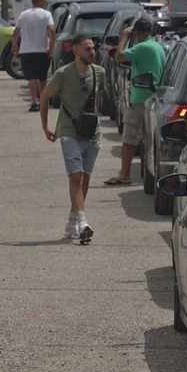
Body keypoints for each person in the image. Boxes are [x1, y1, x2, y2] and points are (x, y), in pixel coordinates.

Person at [41, 34, 105, 244]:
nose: (92, 52)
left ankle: (72, 222)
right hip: (68, 132)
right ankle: (83, 222)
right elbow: (45, 97)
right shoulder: (63, 74)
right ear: (75, 51)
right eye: (87, 48)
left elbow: (99, 101)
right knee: (75, 177)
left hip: (91, 133)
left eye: (93, 48)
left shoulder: (99, 73)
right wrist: (46, 126)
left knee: (85, 179)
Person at [106, 17, 165, 187]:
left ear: (137, 33)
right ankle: (127, 173)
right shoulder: (157, 46)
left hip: (141, 100)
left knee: (129, 140)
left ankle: (124, 174)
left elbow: (119, 56)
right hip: (152, 98)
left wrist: (124, 36)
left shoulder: (143, 47)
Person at [13, 0, 56, 113]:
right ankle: (43, 101)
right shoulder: (46, 14)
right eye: (44, 1)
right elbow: (52, 30)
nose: (45, 3)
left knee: (31, 78)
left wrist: (14, 45)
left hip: (26, 51)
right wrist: (52, 47)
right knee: (42, 78)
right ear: (39, 2)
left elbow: (16, 31)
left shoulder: (24, 14)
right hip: (42, 50)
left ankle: (34, 102)